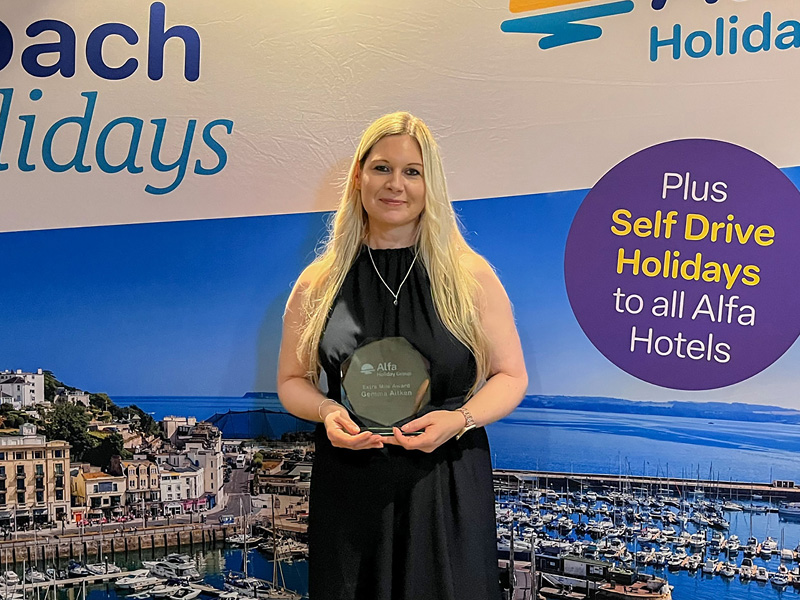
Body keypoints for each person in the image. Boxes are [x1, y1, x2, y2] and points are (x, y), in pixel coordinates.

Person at [277, 111, 527, 600]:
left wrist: (459, 420)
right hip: (350, 485)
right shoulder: (318, 283)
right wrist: (327, 411)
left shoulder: (469, 277)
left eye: (413, 171)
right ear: (358, 177)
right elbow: (291, 381)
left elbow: (510, 376)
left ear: (430, 184)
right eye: (382, 168)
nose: (396, 184)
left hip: (446, 482)